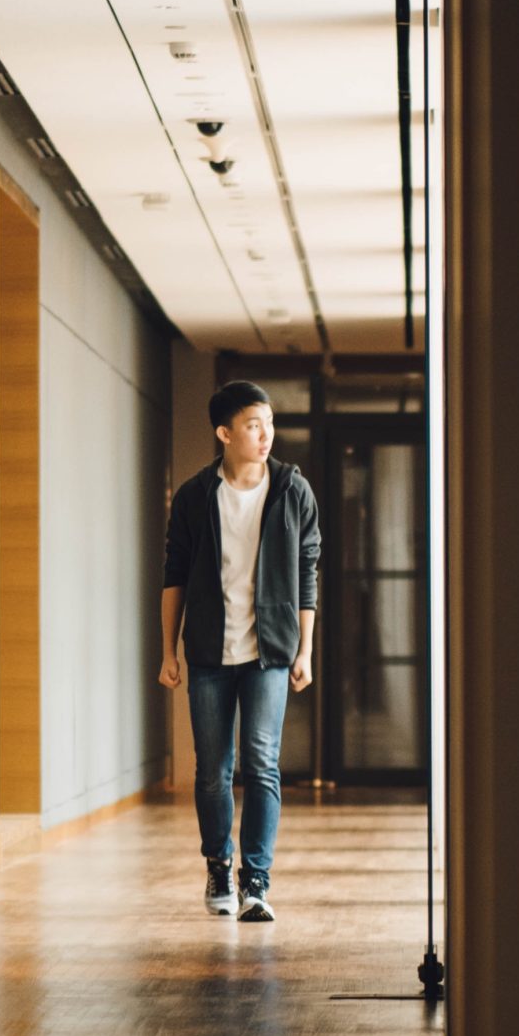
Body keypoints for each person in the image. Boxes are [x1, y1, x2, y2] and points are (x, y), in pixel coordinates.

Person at [158, 381, 321, 922]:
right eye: (253, 424)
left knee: (263, 764)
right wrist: (168, 651)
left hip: (269, 652)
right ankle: (218, 864)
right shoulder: (195, 496)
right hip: (207, 652)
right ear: (224, 432)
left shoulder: (293, 490)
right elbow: (174, 576)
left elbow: (307, 574)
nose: (265, 434)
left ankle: (256, 881)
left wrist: (305, 650)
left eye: (270, 423)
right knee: (213, 770)